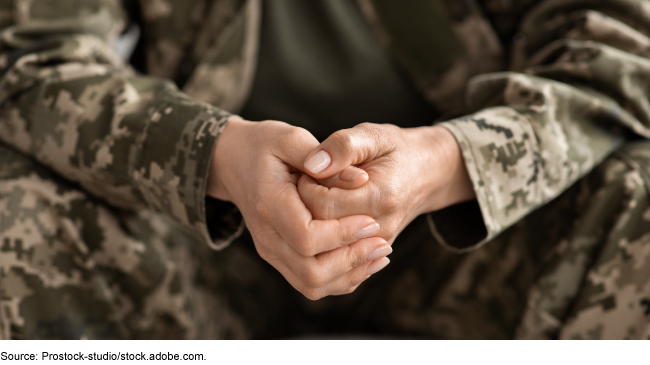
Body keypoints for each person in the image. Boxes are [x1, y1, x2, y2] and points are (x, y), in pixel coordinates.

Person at [1, 0, 650, 339]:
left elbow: (618, 55)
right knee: (15, 206)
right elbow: (33, 58)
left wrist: (450, 162)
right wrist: (213, 154)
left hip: (474, 253)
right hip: (193, 246)